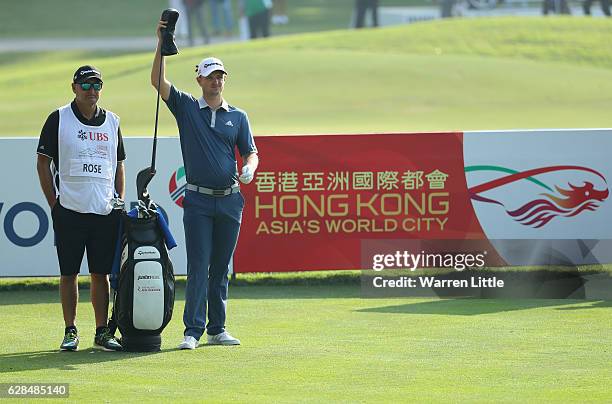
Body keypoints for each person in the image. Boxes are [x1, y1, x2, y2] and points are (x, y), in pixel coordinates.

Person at [152, 20, 259, 349]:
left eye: (220, 76)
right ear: (199, 79)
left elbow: (250, 152)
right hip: (198, 201)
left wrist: (250, 169)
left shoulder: (237, 116)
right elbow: (158, 81)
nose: (217, 80)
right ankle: (192, 331)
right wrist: (162, 43)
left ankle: (217, 328)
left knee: (221, 267)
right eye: (211, 75)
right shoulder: (187, 108)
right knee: (199, 265)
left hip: (230, 200)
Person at [36, 65, 125, 352]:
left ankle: (101, 332)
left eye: (97, 85)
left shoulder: (112, 121)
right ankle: (70, 330)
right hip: (70, 211)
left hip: (104, 211)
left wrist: (118, 201)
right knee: (69, 273)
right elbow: (43, 163)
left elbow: (118, 164)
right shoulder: (58, 119)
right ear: (74, 87)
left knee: (101, 274)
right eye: (86, 86)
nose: (92, 91)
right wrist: (55, 204)